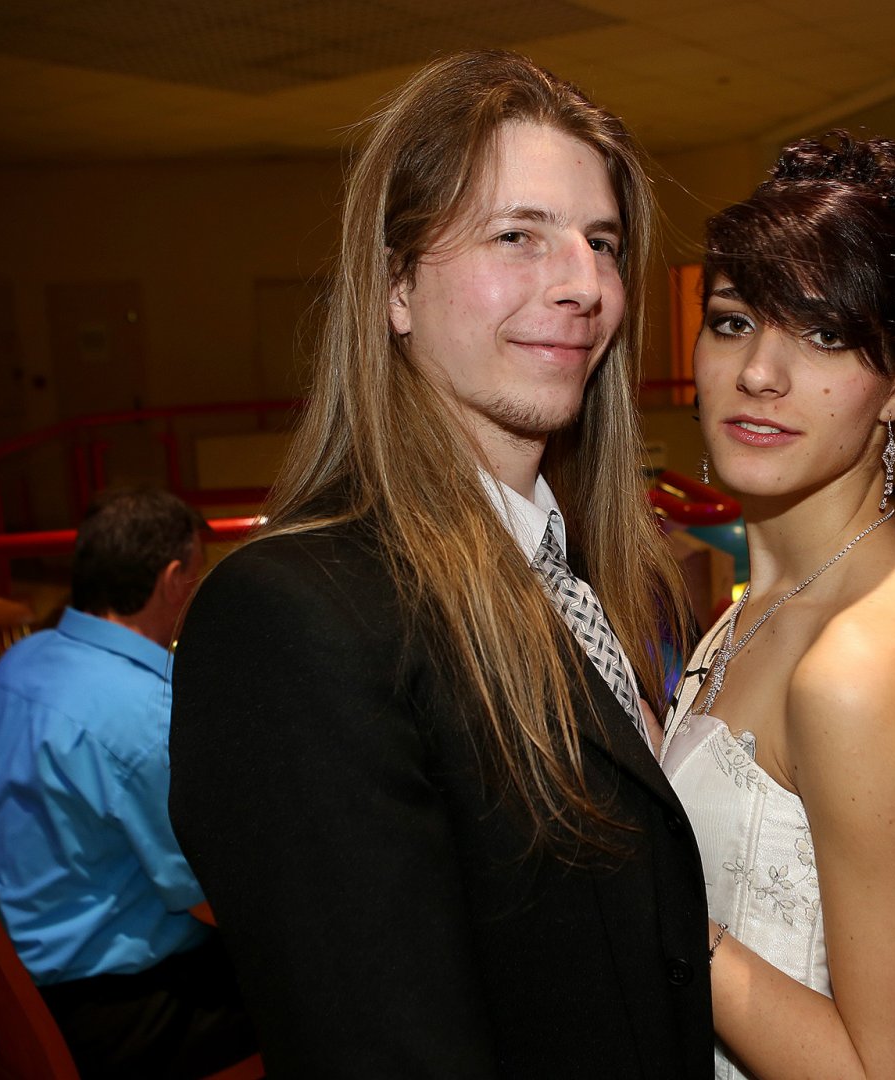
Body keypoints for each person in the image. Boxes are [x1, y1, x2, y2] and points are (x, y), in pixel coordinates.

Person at [168, 50, 711, 1077]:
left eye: (600, 243)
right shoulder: (289, 618)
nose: (584, 285)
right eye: (517, 235)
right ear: (395, 288)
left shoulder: (578, 563)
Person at [661, 133, 895, 1079]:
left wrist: (652, 902)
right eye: (732, 321)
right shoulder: (773, 597)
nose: (760, 372)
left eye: (825, 335)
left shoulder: (856, 668)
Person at [0, 487, 255, 1079]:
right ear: (172, 580)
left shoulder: (16, 663)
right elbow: (212, 901)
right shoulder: (146, 715)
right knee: (326, 986)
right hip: (108, 1014)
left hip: (5, 982)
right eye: (197, 574)